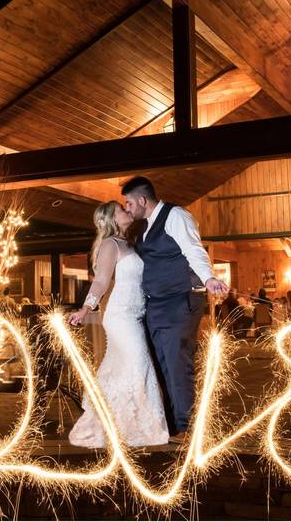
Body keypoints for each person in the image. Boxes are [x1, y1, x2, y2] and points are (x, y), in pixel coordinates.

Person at [121, 175, 228, 444]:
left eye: (130, 203)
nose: (128, 208)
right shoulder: (146, 226)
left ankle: (189, 428)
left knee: (178, 364)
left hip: (179, 301)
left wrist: (209, 278)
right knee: (162, 365)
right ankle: (171, 426)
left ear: (143, 200)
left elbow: (194, 250)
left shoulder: (176, 216)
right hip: (156, 305)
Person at [67, 201, 169, 448]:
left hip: (135, 315)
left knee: (122, 368)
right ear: (112, 218)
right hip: (121, 316)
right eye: (121, 210)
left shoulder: (128, 244)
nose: (127, 210)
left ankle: (118, 424)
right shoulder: (110, 245)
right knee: (137, 364)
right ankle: (131, 427)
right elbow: (101, 281)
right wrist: (85, 308)